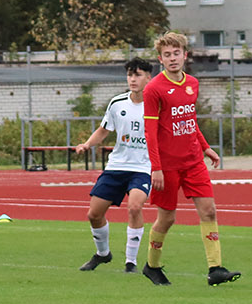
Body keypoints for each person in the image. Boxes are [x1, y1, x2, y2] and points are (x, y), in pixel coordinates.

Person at [141, 32, 239, 287]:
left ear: (185, 55)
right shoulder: (153, 89)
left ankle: (215, 269)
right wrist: (156, 168)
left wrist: (205, 147)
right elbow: (150, 132)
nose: (172, 58)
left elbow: (189, 121)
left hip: (193, 161)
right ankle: (152, 266)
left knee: (209, 210)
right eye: (167, 55)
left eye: (176, 53)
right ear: (160, 59)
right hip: (167, 166)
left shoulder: (192, 83)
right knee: (167, 218)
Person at [73, 58, 154, 273]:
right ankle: (103, 254)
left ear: (149, 77)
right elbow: (103, 130)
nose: (132, 79)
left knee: (134, 207)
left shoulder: (157, 105)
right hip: (116, 166)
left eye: (137, 75)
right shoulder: (117, 103)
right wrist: (87, 144)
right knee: (94, 214)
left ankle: (131, 262)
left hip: (142, 168)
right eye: (129, 75)